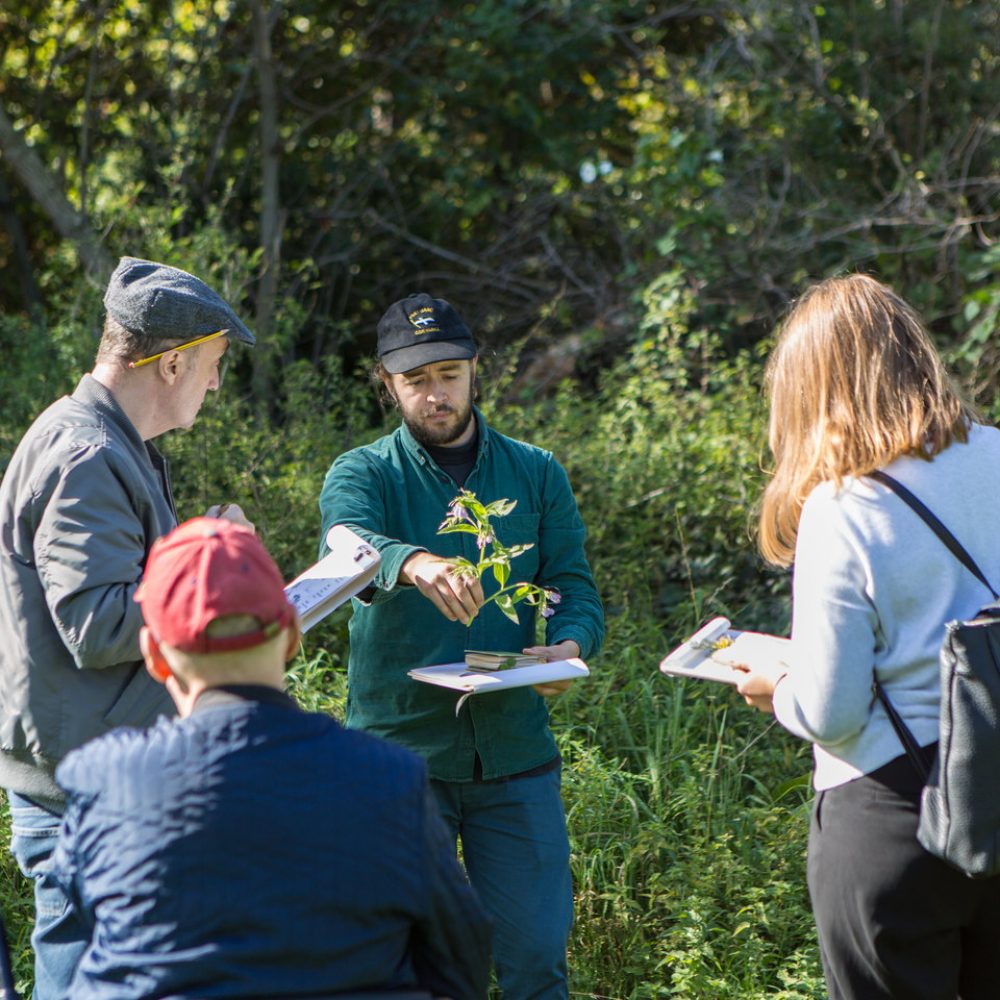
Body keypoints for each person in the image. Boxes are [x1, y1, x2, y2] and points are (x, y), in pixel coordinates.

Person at [50, 516, 493, 1000]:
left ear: (155, 655)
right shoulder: (390, 777)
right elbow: (460, 961)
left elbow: (81, 937)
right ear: (290, 639)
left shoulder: (104, 780)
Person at [318, 292, 605, 1000]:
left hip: (514, 758)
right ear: (387, 384)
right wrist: (412, 562)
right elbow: (348, 542)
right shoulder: (364, 473)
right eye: (415, 380)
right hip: (400, 759)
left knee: (537, 957)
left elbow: (571, 582)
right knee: (408, 966)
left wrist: (566, 645)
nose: (434, 393)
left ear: (477, 370)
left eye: (448, 373)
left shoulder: (534, 473)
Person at [735, 273, 1000, 999]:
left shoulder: (843, 507)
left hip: (894, 816)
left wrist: (776, 682)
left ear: (813, 391)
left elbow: (832, 712)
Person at [0, 256, 256, 999]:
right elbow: (98, 621)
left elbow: (117, 585)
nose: (215, 383)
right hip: (82, 794)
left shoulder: (110, 443)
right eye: (213, 365)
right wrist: (214, 570)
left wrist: (197, 539)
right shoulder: (87, 454)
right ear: (172, 363)